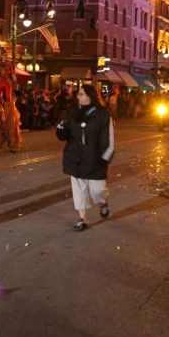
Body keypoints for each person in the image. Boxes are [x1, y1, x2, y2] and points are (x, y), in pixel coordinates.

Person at [56, 84, 115, 231]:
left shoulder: (103, 114)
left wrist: (104, 159)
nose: (78, 96)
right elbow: (64, 135)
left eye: (81, 94)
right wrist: (61, 130)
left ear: (90, 96)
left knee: (98, 192)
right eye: (78, 94)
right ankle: (82, 219)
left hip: (95, 160)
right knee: (79, 190)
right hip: (75, 158)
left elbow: (109, 140)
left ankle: (103, 203)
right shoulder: (73, 112)